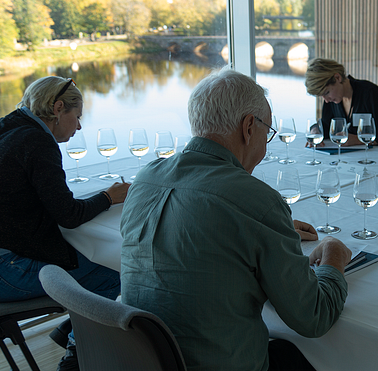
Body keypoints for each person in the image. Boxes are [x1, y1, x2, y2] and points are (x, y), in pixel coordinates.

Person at [120, 68, 352, 371]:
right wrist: (334, 258)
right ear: (248, 128)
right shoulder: (257, 202)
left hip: (140, 360)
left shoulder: (145, 179)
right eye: (267, 132)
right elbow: (314, 317)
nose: (265, 146)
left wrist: (269, 231)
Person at [0, 76, 130, 371]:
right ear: (58, 108)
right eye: (77, 117)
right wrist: (108, 197)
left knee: (81, 261)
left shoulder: (7, 126)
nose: (79, 126)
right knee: (115, 274)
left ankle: (69, 327)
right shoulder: (37, 142)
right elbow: (69, 215)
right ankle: (77, 352)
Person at [304, 58, 378, 148]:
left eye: (327, 92)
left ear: (337, 78)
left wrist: (358, 140)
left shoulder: (371, 93)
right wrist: (315, 131)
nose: (326, 100)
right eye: (322, 96)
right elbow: (326, 126)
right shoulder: (333, 99)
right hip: (356, 161)